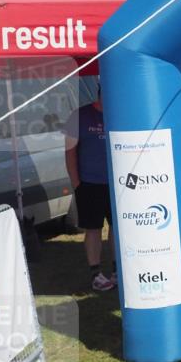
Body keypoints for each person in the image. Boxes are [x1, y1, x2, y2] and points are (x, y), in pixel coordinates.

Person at [64, 89, 115, 292]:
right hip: (89, 183)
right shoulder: (79, 116)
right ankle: (96, 273)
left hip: (117, 183)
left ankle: (117, 270)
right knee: (93, 229)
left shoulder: (120, 112)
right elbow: (69, 152)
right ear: (101, 95)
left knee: (117, 228)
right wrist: (77, 182)